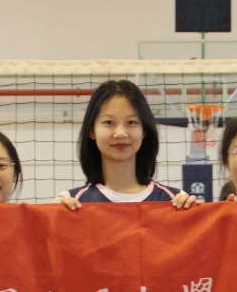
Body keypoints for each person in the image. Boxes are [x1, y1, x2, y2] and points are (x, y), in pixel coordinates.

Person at [58, 80, 196, 209]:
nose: (120, 133)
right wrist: (61, 216)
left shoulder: (174, 201)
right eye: (108, 122)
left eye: (131, 122)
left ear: (144, 130)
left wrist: (194, 214)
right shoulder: (71, 202)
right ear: (92, 131)